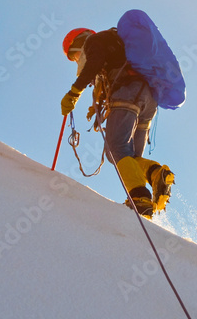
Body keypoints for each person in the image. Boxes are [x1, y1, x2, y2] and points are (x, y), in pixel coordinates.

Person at [60, 27, 174, 217]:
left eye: (75, 56)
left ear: (78, 43)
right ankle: (155, 173)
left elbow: (93, 64)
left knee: (115, 148)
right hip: (148, 100)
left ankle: (140, 198)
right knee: (129, 156)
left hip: (128, 92)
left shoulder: (94, 42)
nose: (77, 60)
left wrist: (74, 92)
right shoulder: (116, 44)